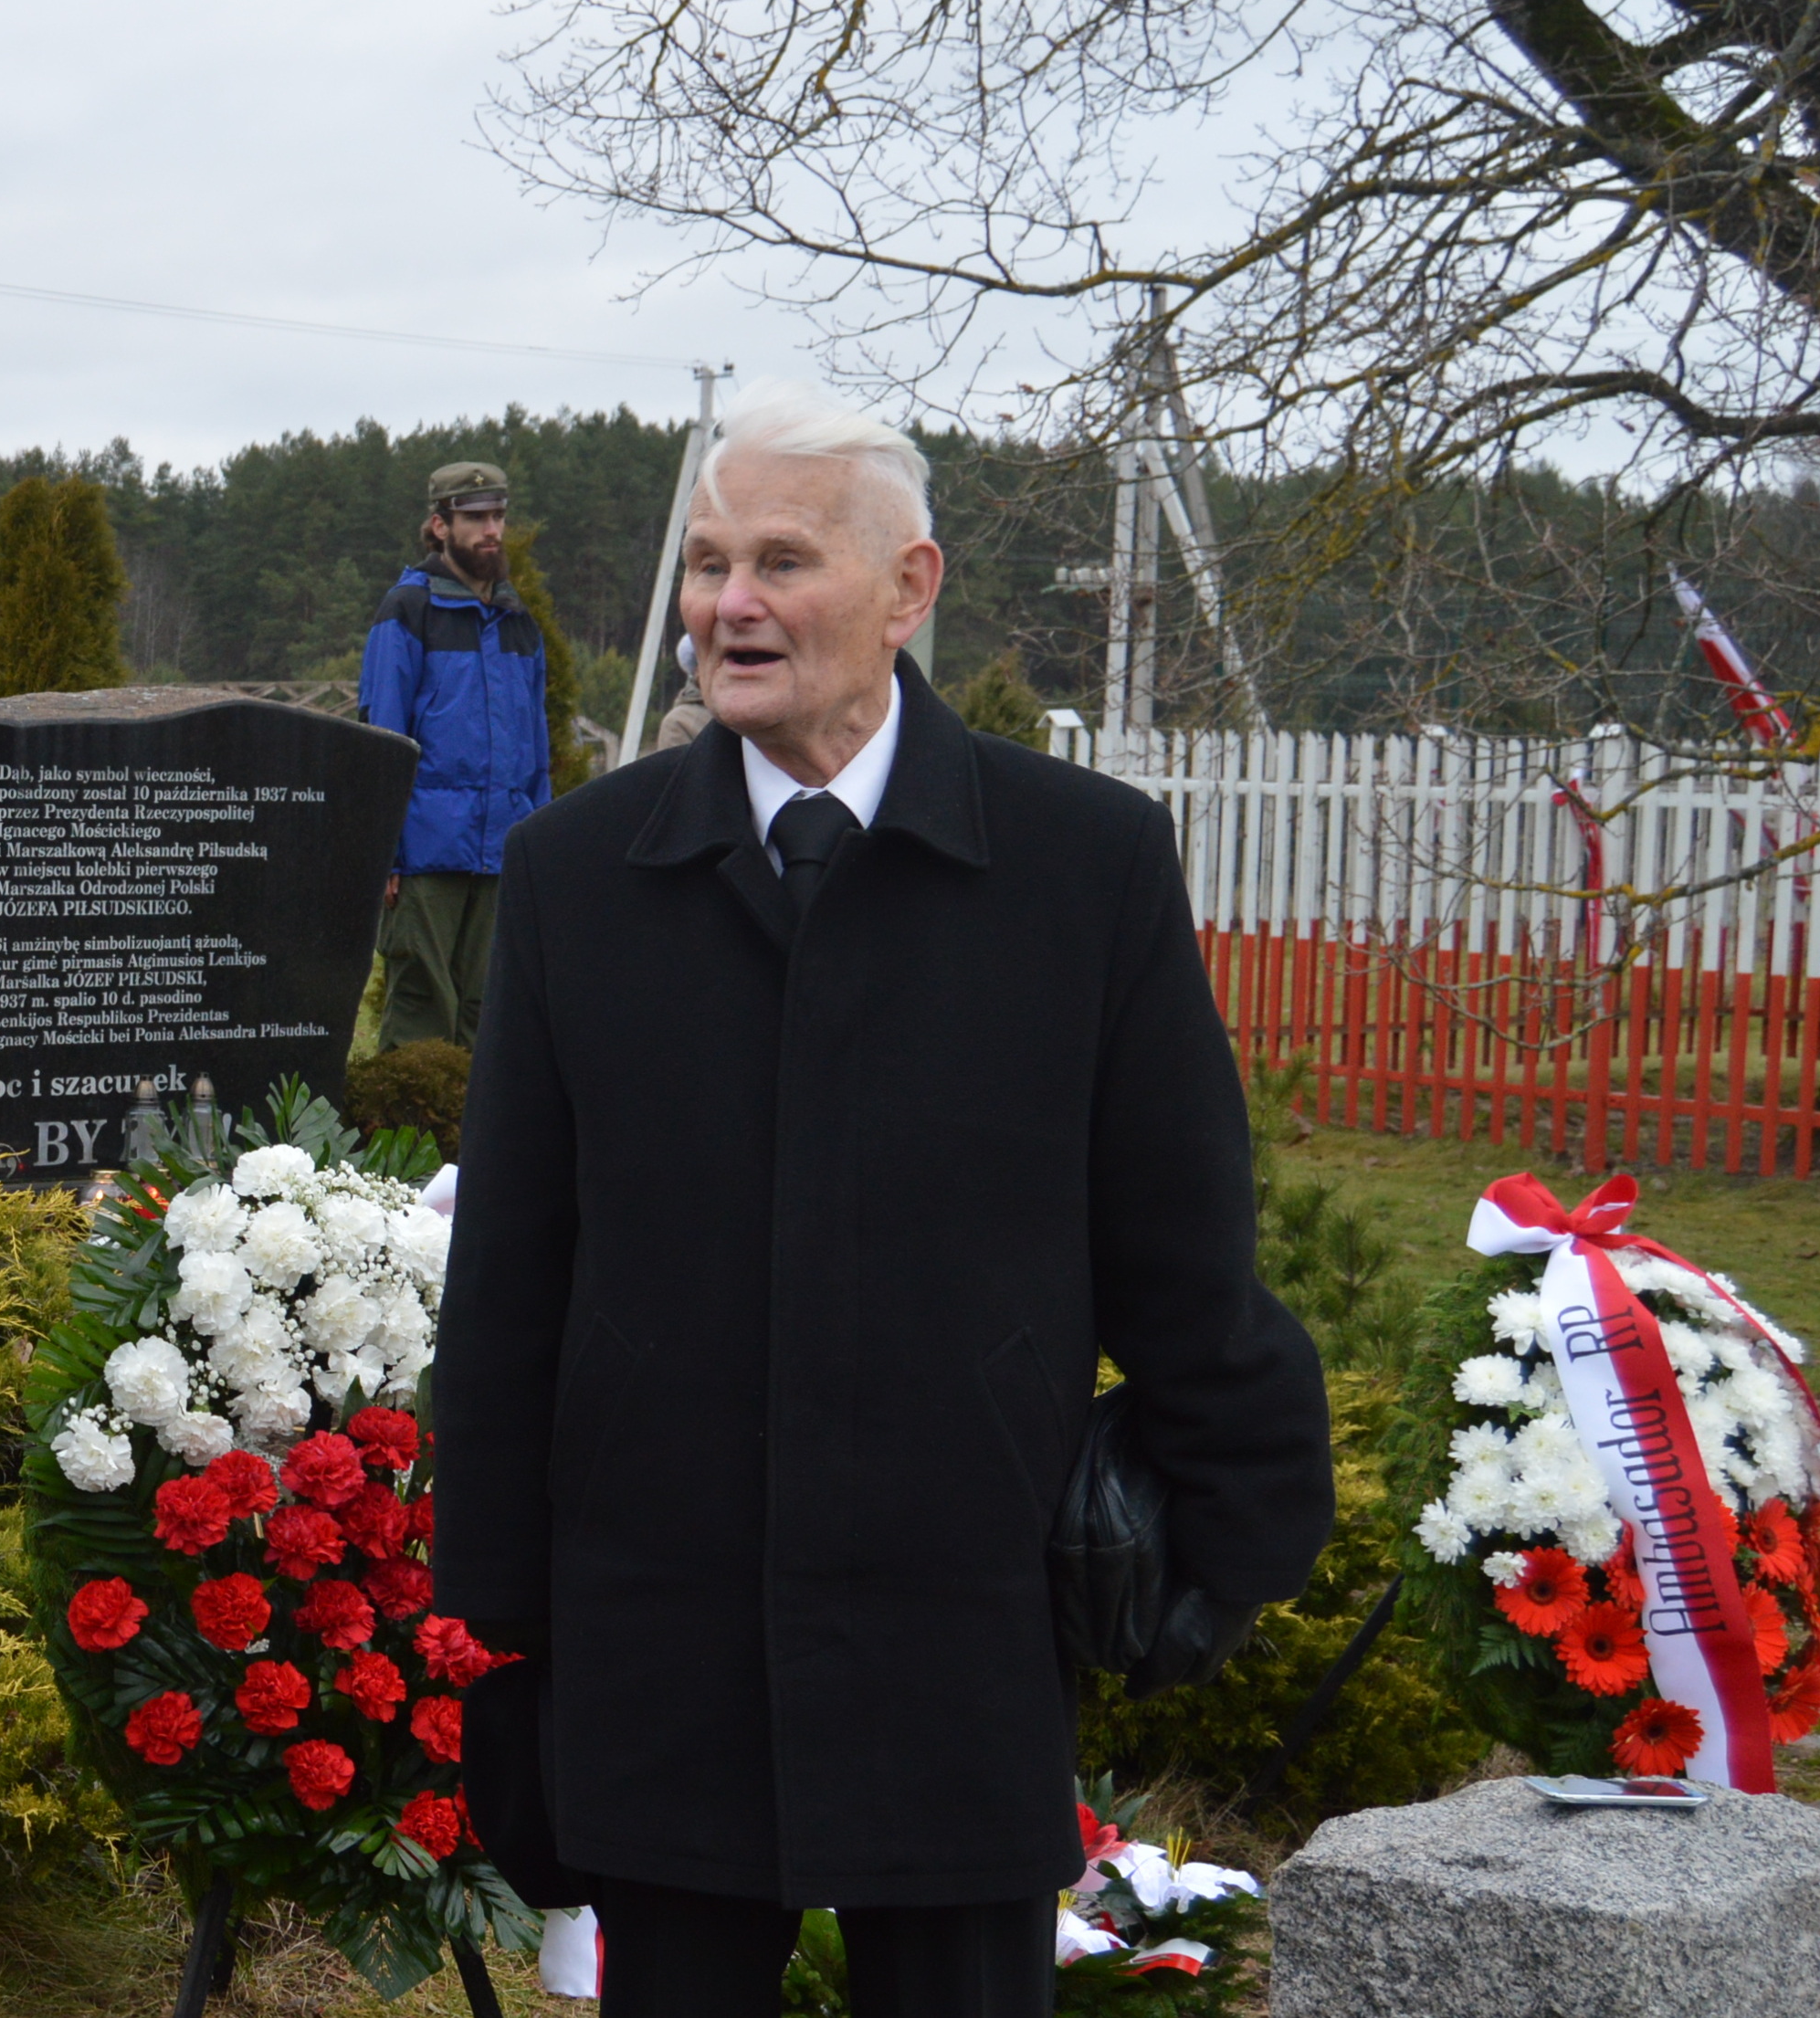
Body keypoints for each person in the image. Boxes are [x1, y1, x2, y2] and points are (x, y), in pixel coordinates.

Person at [422, 380, 1333, 2018]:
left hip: (958, 1637)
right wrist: (501, 1636)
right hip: (661, 1643)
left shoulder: (1083, 867)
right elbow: (509, 1288)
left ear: (909, 588)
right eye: (707, 564)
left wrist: (1233, 1527)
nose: (729, 606)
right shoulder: (577, 876)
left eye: (780, 559)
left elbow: (1177, 1243)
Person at [358, 459, 548, 1050]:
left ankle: (476, 1144)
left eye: (497, 515)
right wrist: (384, 852)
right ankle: (409, 1143)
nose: (491, 530)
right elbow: (382, 737)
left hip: (502, 853)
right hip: (425, 852)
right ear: (440, 526)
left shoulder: (520, 625)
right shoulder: (406, 613)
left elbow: (536, 751)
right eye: (475, 518)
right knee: (420, 1007)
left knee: (490, 1013)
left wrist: (537, 846)